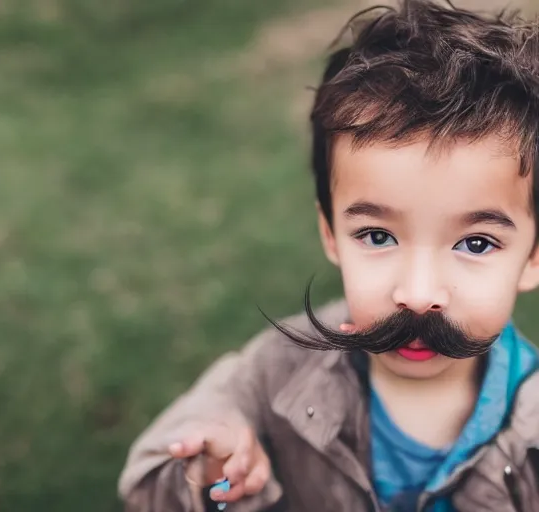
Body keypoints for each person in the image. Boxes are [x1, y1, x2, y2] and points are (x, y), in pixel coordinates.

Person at [119, 1, 539, 510]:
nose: (418, 295)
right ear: (331, 233)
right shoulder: (276, 371)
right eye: (378, 236)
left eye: (475, 243)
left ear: (533, 257)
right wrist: (206, 470)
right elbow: (148, 484)